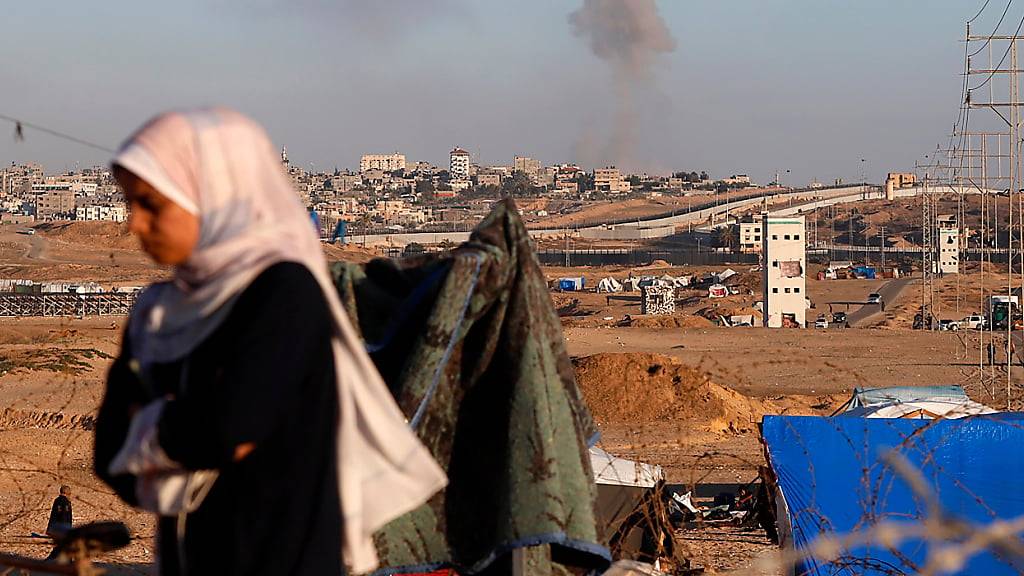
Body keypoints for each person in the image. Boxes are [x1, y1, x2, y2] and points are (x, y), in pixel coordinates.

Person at [93, 109, 445, 576]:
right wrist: (183, 428)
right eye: (129, 204)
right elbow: (109, 457)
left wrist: (149, 424)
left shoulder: (283, 292)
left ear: (215, 198)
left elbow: (229, 427)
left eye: (152, 204)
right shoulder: (159, 313)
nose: (135, 224)